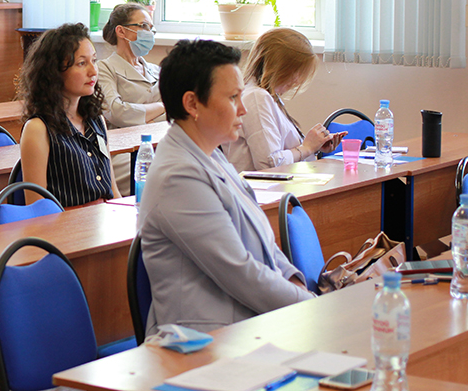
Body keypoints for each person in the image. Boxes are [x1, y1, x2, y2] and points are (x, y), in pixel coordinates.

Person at [138, 39, 312, 334]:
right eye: (233, 98)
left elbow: (265, 245)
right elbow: (241, 273)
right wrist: (312, 305)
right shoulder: (177, 178)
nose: (243, 109)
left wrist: (295, 282)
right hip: (205, 340)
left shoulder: (213, 156)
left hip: (246, 327)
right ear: (192, 104)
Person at [17, 22, 121, 207]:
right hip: (67, 223)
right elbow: (37, 209)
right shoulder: (38, 129)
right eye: (82, 63)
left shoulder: (96, 120)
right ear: (54, 72)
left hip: (106, 218)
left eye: (94, 60)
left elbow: (112, 191)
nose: (93, 71)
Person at [223, 27, 343, 172]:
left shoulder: (268, 97)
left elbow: (283, 151)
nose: (297, 80)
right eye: (296, 72)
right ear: (279, 67)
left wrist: (315, 146)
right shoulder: (256, 97)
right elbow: (270, 164)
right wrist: (307, 148)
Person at [97, 3, 166, 191]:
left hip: (159, 144)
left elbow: (176, 112)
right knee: (166, 175)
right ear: (121, 31)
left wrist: (143, 116)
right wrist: (163, 106)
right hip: (124, 151)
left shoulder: (156, 70)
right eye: (143, 26)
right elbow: (117, 112)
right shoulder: (105, 68)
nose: (149, 33)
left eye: (151, 28)